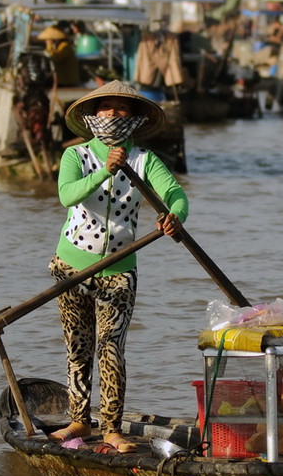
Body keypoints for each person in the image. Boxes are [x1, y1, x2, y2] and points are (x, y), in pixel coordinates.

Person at [48, 80, 188, 454]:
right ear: (92, 117)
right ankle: (79, 419)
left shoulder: (145, 160)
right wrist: (105, 171)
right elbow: (67, 195)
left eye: (121, 109)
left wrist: (174, 215)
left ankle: (111, 427)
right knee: (78, 346)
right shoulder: (75, 157)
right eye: (105, 108)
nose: (111, 115)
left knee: (110, 347)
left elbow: (175, 195)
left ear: (136, 119)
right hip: (71, 268)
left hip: (119, 270)